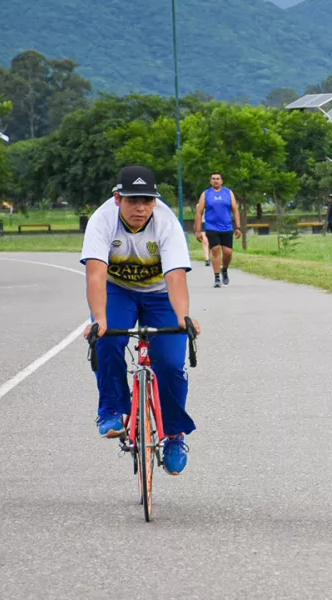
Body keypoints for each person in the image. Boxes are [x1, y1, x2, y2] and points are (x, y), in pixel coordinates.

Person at [81, 165, 201, 475]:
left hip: (160, 294)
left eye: (147, 200)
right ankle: (111, 409)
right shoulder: (102, 220)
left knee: (171, 362)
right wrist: (99, 319)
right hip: (117, 291)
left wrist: (183, 318)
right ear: (118, 198)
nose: (140, 208)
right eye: (133, 200)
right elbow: (95, 274)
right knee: (107, 339)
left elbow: (175, 276)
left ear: (155, 202)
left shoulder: (166, 223)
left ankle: (174, 435)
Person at [194, 172, 241, 288]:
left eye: (218, 179)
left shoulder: (228, 193)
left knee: (228, 253)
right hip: (211, 227)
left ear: (221, 181)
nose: (215, 180)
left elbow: (235, 210)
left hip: (227, 227)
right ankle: (216, 278)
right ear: (210, 181)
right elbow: (199, 212)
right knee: (215, 250)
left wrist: (238, 227)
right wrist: (198, 230)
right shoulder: (206, 194)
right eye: (213, 179)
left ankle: (224, 269)